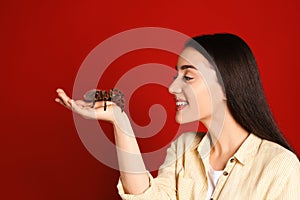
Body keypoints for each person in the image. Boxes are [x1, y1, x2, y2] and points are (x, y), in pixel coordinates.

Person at [55, 33, 300, 200]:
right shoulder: (184, 148)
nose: (172, 88)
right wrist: (120, 122)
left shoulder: (281, 167)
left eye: (188, 76)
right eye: (176, 75)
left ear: (226, 86)